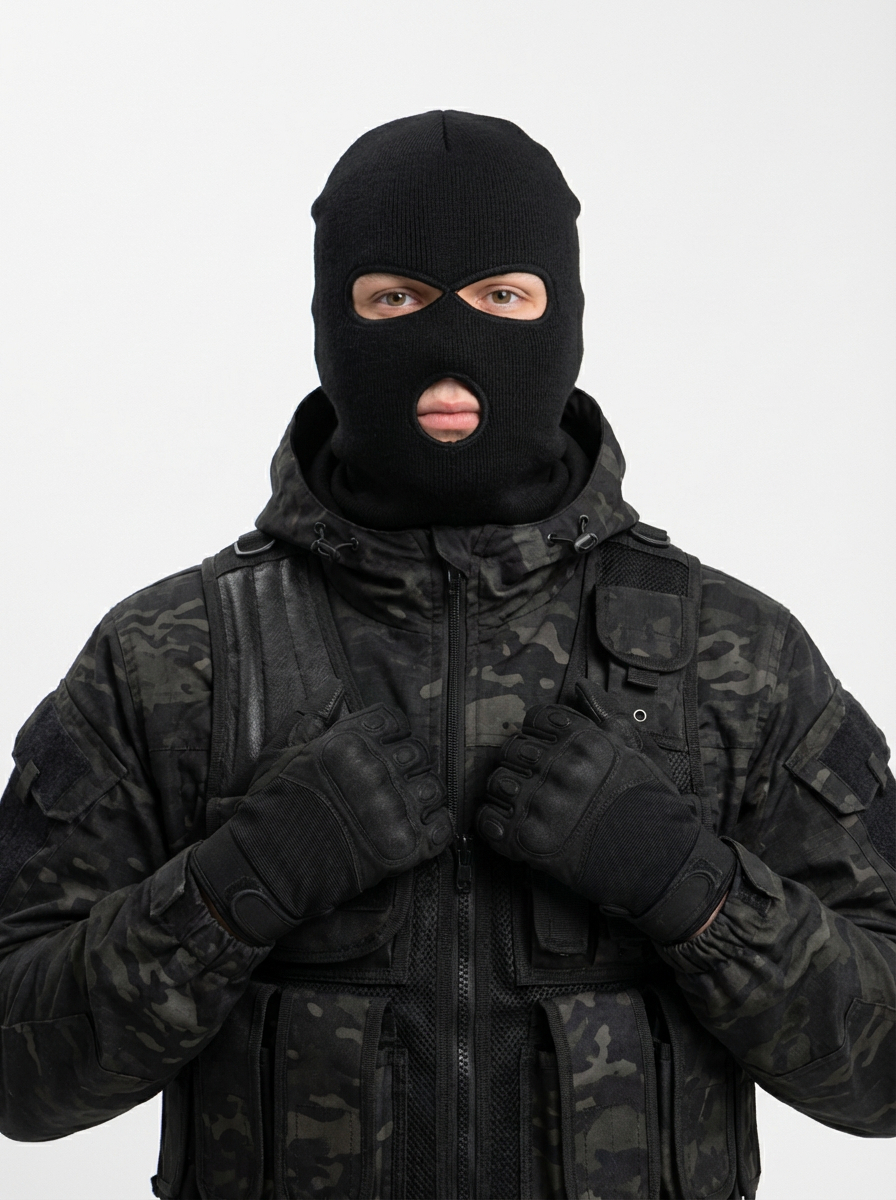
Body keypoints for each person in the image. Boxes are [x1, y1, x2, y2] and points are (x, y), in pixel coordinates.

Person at [0, 109, 892, 1200]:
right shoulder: (171, 656)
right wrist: (237, 887)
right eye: (396, 300)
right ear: (331, 320)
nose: (450, 342)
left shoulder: (733, 653)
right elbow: (19, 1077)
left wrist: (690, 888)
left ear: (564, 317)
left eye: (502, 297)